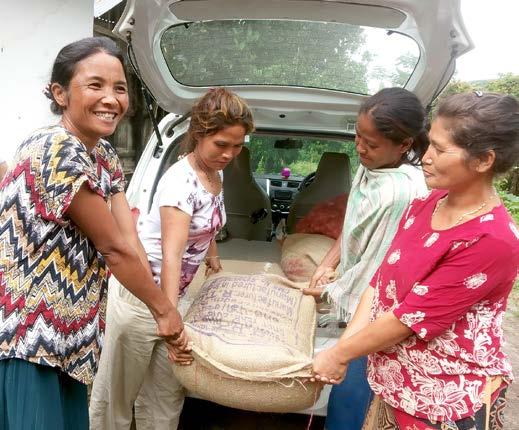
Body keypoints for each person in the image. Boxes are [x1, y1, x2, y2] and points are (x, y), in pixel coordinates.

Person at [0, 37, 184, 430]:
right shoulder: (57, 149)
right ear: (60, 93)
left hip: (71, 341)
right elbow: (114, 248)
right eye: (95, 85)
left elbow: (128, 236)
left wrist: (156, 304)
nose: (111, 99)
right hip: (31, 338)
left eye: (119, 88)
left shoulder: (102, 154)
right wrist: (164, 310)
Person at [312, 92, 519, 430]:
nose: (425, 157)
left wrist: (339, 355)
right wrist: (346, 347)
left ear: (483, 161)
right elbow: (380, 283)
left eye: (439, 149)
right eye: (429, 145)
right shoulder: (426, 205)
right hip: (394, 385)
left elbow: (409, 318)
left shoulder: (493, 240)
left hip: (443, 402)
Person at [89, 87, 254, 430]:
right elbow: (171, 254)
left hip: (171, 297)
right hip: (142, 296)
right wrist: (169, 317)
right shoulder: (180, 182)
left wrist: (212, 252)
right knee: (116, 398)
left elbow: (205, 221)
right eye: (221, 144)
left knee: (165, 395)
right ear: (199, 134)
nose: (229, 154)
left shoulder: (214, 173)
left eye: (237, 146)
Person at [303, 87, 430, 430]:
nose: (360, 148)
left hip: (376, 310)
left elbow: (378, 273)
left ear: (404, 144)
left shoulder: (401, 192)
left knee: (350, 402)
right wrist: (328, 263)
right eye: (358, 137)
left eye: (371, 144)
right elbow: (353, 224)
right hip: (354, 291)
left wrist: (332, 292)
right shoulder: (372, 166)